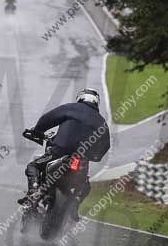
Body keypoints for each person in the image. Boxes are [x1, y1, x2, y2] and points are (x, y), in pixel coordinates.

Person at [19, 89, 110, 219]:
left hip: (59, 151)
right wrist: (95, 156)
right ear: (96, 103)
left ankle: (33, 193)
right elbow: (105, 145)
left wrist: (38, 130)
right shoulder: (101, 121)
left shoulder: (71, 108)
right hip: (81, 159)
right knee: (86, 183)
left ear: (80, 98)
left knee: (33, 166)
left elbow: (48, 118)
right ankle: (75, 204)